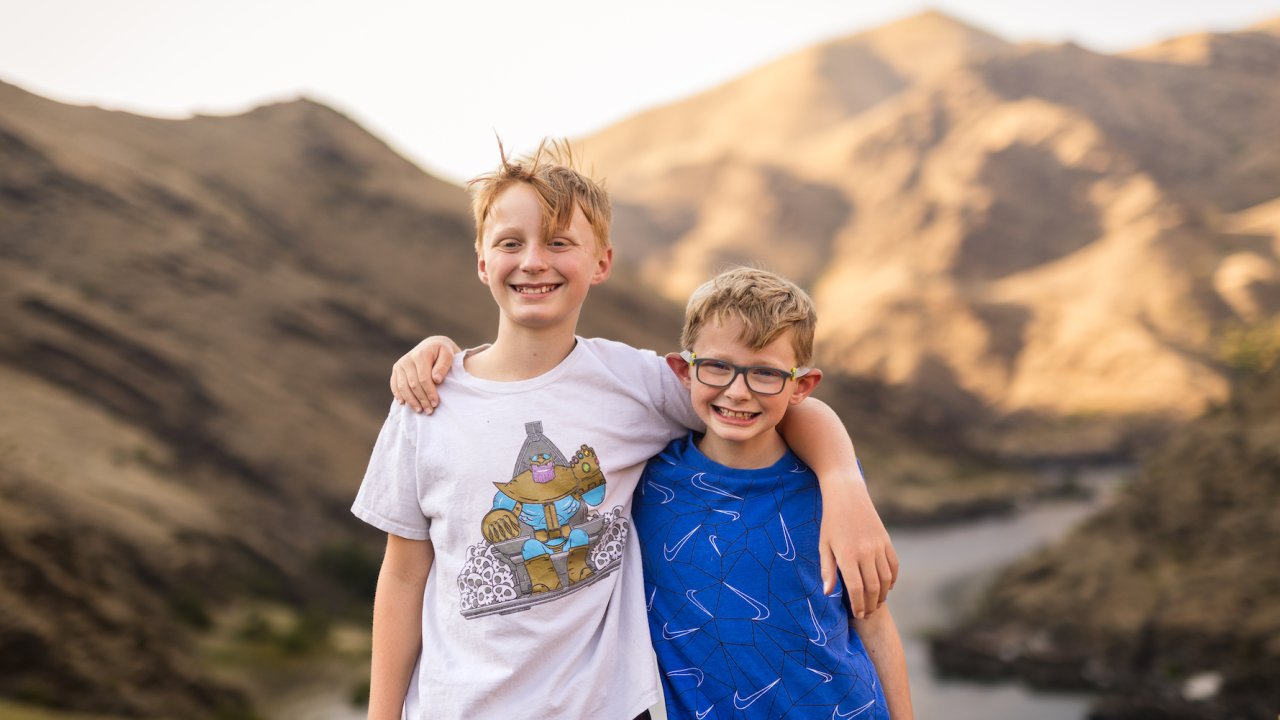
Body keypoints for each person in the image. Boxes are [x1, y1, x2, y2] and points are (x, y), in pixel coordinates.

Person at [357, 139, 895, 720]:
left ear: (602, 263)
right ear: (483, 260)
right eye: (511, 243)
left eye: (560, 243)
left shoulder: (633, 383)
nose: (534, 261)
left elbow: (769, 398)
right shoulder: (425, 400)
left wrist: (843, 482)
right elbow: (405, 578)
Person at [632, 267, 912, 719]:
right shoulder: (645, 483)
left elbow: (873, 620)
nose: (737, 392)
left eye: (765, 373)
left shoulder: (830, 487)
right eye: (717, 367)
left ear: (801, 386)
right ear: (684, 370)